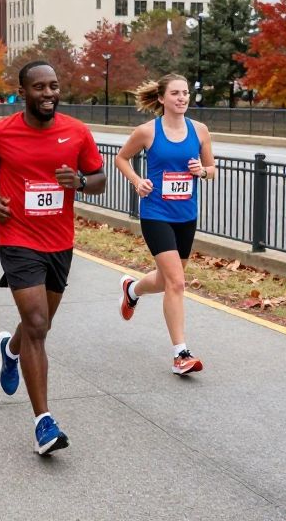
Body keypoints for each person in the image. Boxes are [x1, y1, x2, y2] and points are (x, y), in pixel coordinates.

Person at [0, 61, 106, 455]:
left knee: (39, 324)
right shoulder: (1, 131)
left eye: (54, 86)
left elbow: (99, 179)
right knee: (38, 323)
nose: (48, 94)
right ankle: (44, 423)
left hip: (60, 241)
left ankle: (10, 350)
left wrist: (80, 182)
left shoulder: (76, 132)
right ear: (22, 92)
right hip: (17, 237)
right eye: (39, 87)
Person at [113, 74, 216, 375]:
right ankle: (180, 354)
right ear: (162, 98)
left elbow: (213, 170)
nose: (182, 98)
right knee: (177, 283)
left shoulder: (200, 131)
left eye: (185, 93)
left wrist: (202, 172)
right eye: (175, 93)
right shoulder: (147, 131)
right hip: (156, 213)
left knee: (166, 279)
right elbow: (121, 158)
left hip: (186, 215)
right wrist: (137, 181)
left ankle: (132, 290)